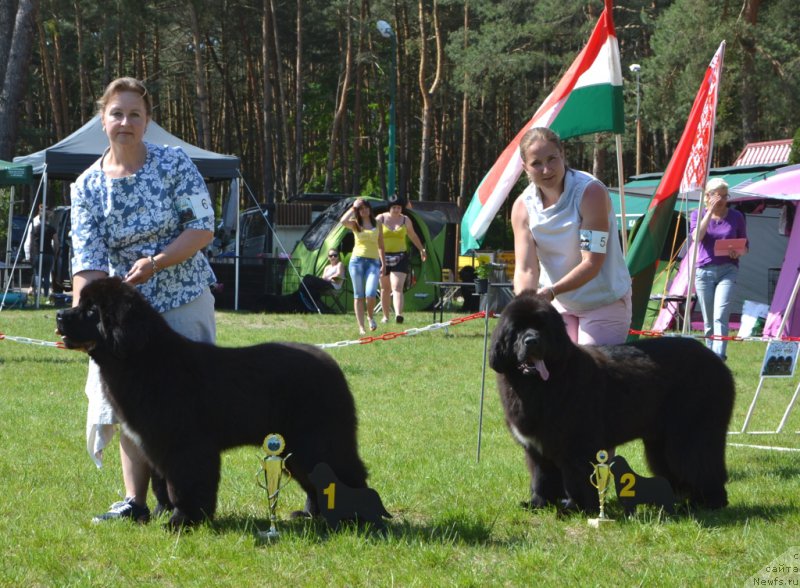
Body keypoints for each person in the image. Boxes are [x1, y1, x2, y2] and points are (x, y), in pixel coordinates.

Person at [70, 77, 217, 523]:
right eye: (117, 113)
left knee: (187, 402)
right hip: (122, 314)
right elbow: (88, 259)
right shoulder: (86, 186)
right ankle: (134, 502)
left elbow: (202, 227)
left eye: (135, 114)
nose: (125, 122)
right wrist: (82, 322)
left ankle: (190, 502)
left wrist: (156, 262)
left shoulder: (173, 163)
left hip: (182, 292)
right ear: (103, 119)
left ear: (148, 121)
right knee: (127, 401)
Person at [511, 127, 632, 345]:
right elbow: (526, 269)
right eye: (536, 163)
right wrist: (526, 306)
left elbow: (592, 263)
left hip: (603, 301)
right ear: (524, 167)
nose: (546, 169)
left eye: (552, 159)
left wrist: (552, 291)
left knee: (590, 371)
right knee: (555, 370)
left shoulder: (590, 192)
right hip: (558, 304)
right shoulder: (522, 207)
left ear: (563, 155)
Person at [689, 178, 748, 360]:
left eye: (725, 195)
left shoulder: (736, 216)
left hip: (728, 270)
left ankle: (719, 357)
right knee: (708, 319)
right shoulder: (696, 214)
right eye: (718, 195)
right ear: (708, 196)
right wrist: (708, 213)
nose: (722, 200)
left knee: (720, 315)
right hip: (704, 271)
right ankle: (709, 358)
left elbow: (745, 246)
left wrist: (738, 252)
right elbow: (696, 237)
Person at [376, 197, 426, 324]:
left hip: (400, 256)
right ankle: (385, 316)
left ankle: (398, 314)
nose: (397, 210)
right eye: (394, 207)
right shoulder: (380, 219)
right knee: (384, 288)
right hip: (382, 256)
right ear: (389, 208)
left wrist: (421, 249)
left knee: (397, 287)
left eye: (399, 207)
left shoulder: (405, 219)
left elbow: (413, 235)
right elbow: (373, 237)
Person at [339, 198, 385, 335]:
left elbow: (381, 245)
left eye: (365, 208)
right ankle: (361, 327)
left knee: (371, 294)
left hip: (373, 262)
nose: (364, 210)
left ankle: (370, 317)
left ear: (370, 209)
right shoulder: (355, 224)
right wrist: (353, 207)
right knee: (358, 295)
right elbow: (342, 221)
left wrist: (384, 263)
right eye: (361, 208)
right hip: (357, 261)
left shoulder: (377, 224)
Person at [29, 208, 56, 299]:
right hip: (49, 254)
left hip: (37, 253)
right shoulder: (52, 229)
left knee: (37, 274)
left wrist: (30, 254)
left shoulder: (35, 229)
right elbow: (56, 242)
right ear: (48, 219)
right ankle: (46, 294)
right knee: (47, 275)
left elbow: (31, 242)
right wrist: (56, 252)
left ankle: (37, 293)